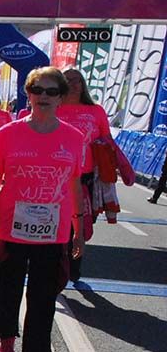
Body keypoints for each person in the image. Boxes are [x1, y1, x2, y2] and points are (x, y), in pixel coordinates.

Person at [0, 67, 85, 352]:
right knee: (10, 288)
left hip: (52, 231)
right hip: (11, 227)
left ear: (61, 97)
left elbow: (74, 184)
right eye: (37, 90)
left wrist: (78, 227)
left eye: (51, 91)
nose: (44, 97)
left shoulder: (73, 138)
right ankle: (6, 337)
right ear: (28, 94)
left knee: (43, 297)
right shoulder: (7, 134)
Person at [57, 67, 114, 280]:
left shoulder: (96, 111)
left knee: (82, 224)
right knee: (58, 222)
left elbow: (107, 141)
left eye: (77, 80)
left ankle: (74, 264)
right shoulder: (53, 108)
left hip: (86, 178)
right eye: (67, 79)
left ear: (83, 85)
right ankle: (57, 264)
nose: (72, 84)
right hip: (57, 177)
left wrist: (118, 165)